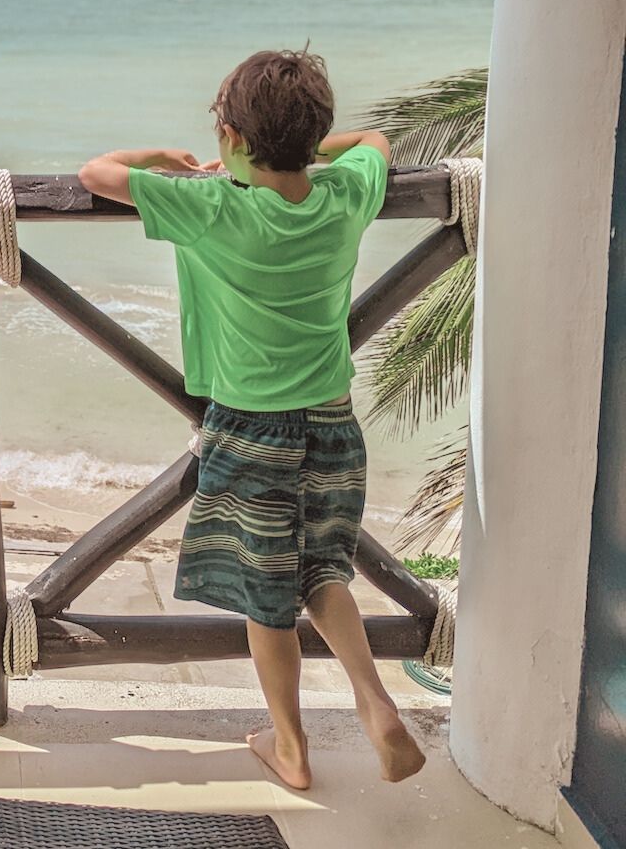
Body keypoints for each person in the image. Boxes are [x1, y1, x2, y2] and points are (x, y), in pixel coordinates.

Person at [77, 49, 426, 791]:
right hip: (333, 420)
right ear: (312, 133)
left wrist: (161, 158)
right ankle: (375, 699)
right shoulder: (344, 197)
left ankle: (292, 747)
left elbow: (96, 174)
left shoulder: (211, 205)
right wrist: (307, 147)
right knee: (325, 569)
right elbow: (377, 145)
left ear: (231, 137)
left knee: (267, 596)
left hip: (251, 427)